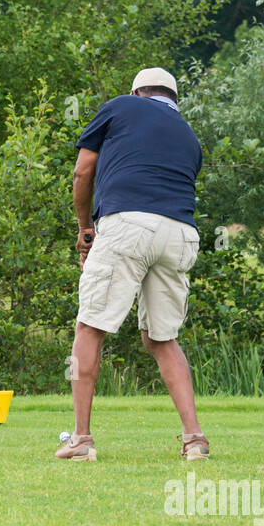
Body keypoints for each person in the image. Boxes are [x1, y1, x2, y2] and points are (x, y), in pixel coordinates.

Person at [55, 67, 210, 462]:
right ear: (174, 100)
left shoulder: (121, 106)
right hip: (181, 234)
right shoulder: (189, 136)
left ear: (138, 92)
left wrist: (84, 227)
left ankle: (81, 440)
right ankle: (194, 439)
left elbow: (82, 170)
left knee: (89, 327)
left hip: (127, 224)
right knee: (162, 338)